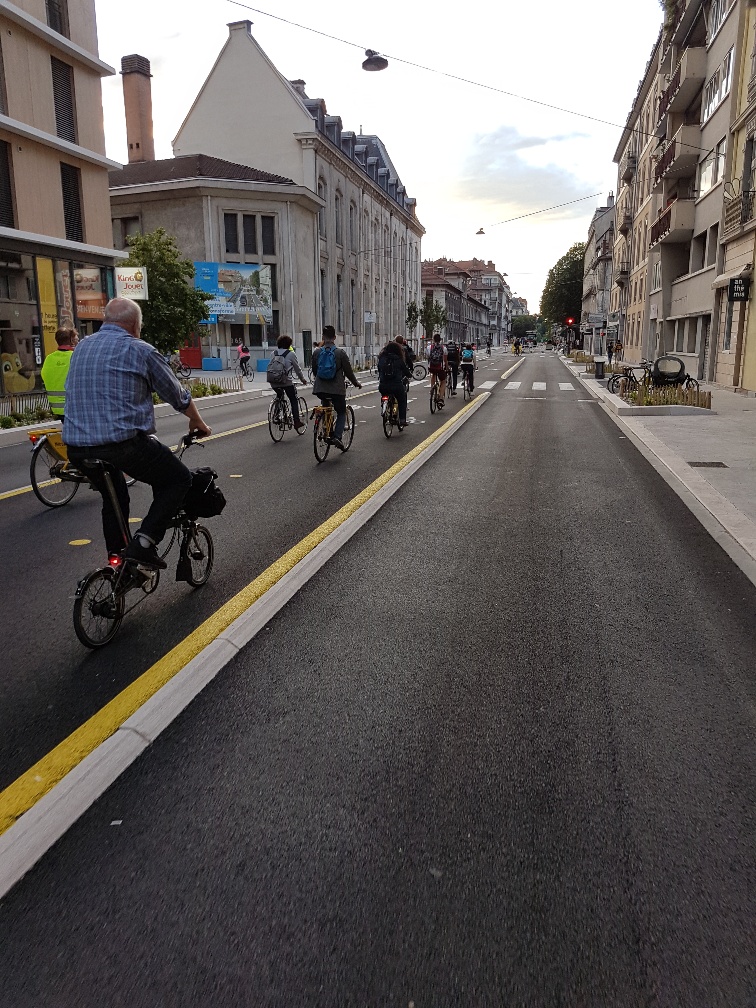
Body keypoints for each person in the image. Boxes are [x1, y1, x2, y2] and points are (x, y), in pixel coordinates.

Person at [64, 298, 211, 569]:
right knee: (177, 479)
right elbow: (177, 396)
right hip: (121, 445)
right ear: (136, 325)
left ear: (105, 321)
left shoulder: (82, 347)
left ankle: (118, 564)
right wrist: (198, 423)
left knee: (114, 499)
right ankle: (144, 544)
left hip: (75, 447)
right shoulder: (140, 350)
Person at [311, 325, 362, 450]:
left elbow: (314, 370)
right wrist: (356, 383)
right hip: (337, 389)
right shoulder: (340, 353)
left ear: (322, 337)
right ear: (334, 337)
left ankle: (324, 429)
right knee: (341, 411)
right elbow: (349, 372)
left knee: (325, 404)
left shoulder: (317, 352)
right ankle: (337, 437)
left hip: (320, 388)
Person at [267, 334, 307, 430]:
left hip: (273, 381)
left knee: (279, 395)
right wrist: (303, 379)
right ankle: (296, 421)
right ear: (289, 344)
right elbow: (297, 370)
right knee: (293, 399)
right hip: (286, 382)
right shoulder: (291, 354)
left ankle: (276, 415)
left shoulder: (273, 353)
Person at [40, 327, 78, 419]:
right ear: (72, 340)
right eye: (76, 338)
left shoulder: (49, 358)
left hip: (56, 409)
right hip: (74, 407)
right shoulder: (75, 356)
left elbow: (44, 376)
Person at [377, 340, 412, 427]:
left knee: (384, 395)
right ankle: (402, 419)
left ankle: (384, 407)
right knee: (402, 399)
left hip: (383, 385)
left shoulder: (382, 358)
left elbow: (379, 369)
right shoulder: (399, 359)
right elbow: (405, 370)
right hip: (396, 385)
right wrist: (409, 375)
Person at [427, 333, 448, 407]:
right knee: (443, 381)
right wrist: (447, 368)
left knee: (433, 374)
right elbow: (445, 360)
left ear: (433, 339)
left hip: (432, 367)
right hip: (440, 368)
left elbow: (428, 356)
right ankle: (441, 398)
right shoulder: (444, 348)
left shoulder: (429, 347)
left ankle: (432, 389)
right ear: (440, 340)